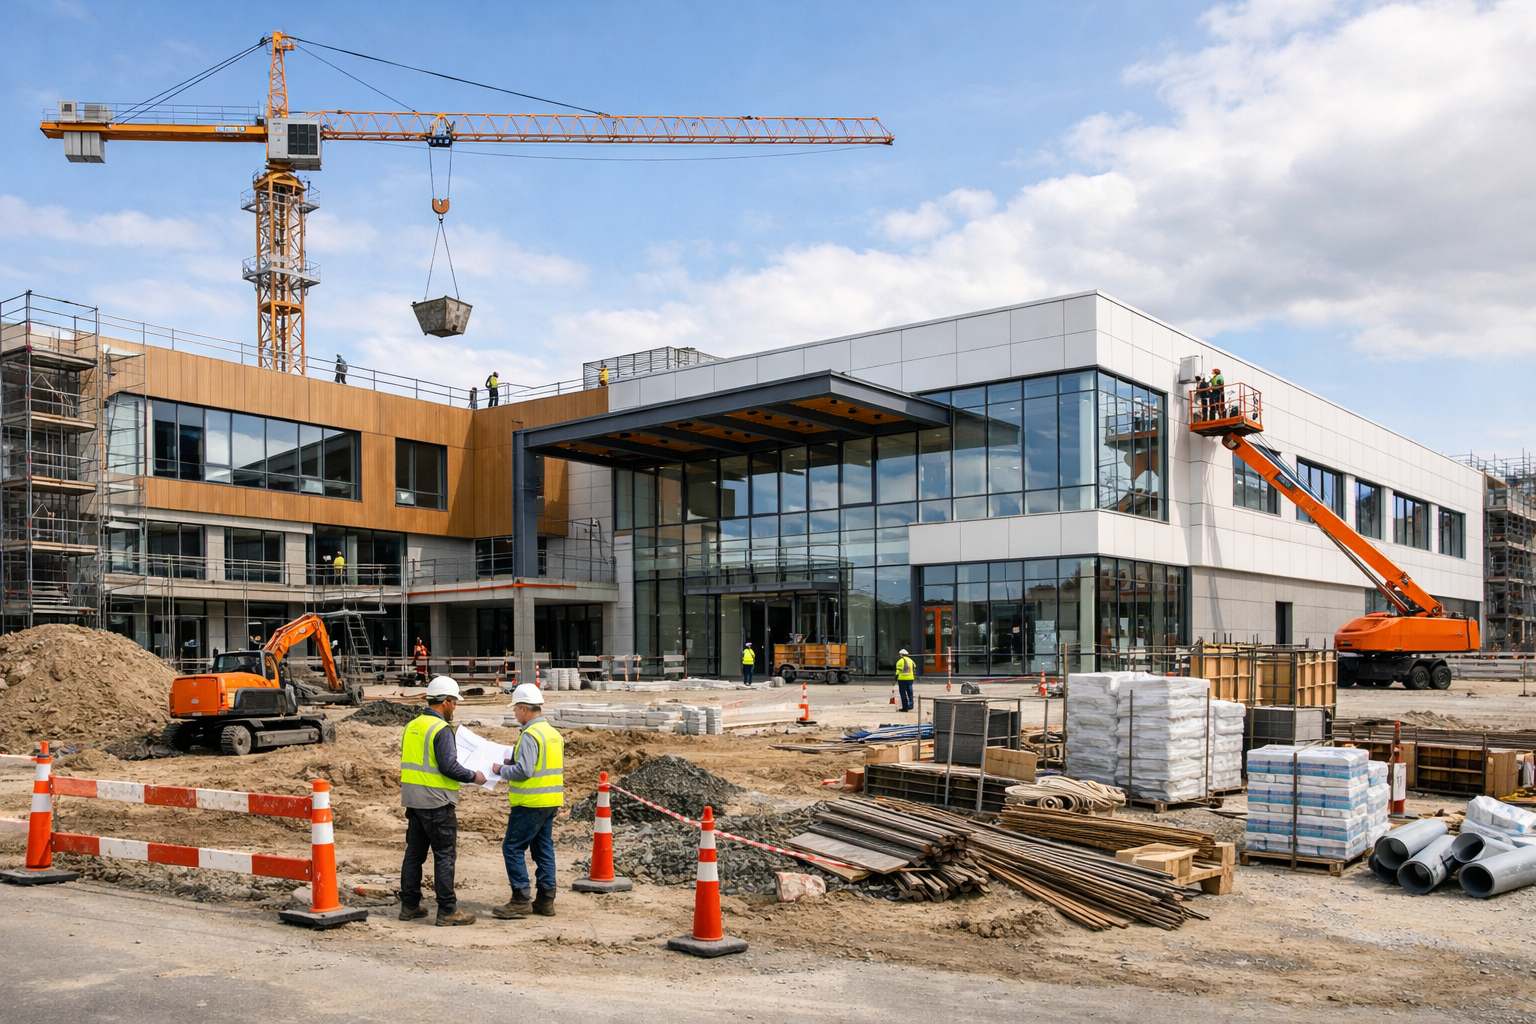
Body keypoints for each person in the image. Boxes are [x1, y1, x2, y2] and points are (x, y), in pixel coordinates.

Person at [399, 676, 487, 926]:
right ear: (446, 702)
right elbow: (448, 767)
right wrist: (474, 776)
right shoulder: (441, 730)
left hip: (413, 801)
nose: (455, 708)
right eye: (454, 702)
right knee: (445, 855)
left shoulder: (412, 726)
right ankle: (447, 909)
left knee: (414, 854)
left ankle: (409, 906)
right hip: (437, 802)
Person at [491, 682, 564, 920]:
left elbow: (525, 771)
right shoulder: (553, 734)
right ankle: (545, 901)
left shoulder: (530, 734)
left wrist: (501, 770)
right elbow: (541, 766)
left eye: (515, 709)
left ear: (523, 709)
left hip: (530, 803)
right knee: (543, 849)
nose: (514, 714)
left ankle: (520, 899)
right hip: (550, 801)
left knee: (512, 848)